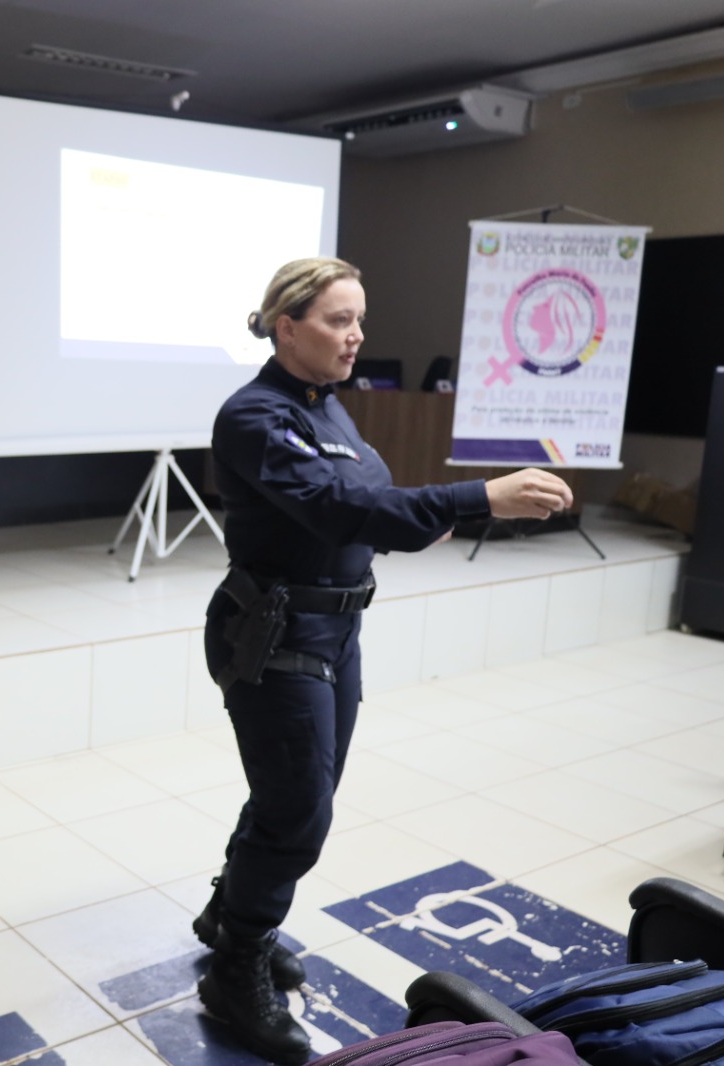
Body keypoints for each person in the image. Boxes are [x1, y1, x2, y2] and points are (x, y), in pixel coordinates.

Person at [194, 257, 572, 1063]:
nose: (356, 335)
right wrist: (477, 499)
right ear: (285, 325)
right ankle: (235, 969)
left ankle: (228, 914)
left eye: (359, 319)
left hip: (336, 630)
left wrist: (405, 519)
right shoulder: (254, 416)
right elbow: (342, 505)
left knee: (299, 792)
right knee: (299, 809)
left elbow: (368, 506)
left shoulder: (326, 408)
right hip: (273, 632)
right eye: (337, 320)